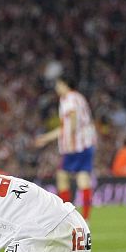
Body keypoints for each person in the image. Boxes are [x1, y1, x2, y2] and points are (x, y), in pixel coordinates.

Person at [35, 76, 98, 219]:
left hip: (74, 146)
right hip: (86, 144)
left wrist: (72, 135)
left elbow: (72, 120)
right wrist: (46, 138)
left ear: (64, 84)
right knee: (83, 178)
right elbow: (66, 126)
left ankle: (67, 217)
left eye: (58, 84)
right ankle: (86, 219)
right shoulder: (79, 97)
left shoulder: (68, 98)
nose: (57, 88)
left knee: (62, 176)